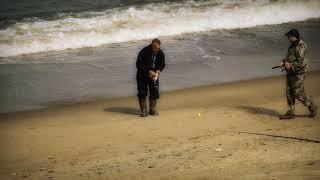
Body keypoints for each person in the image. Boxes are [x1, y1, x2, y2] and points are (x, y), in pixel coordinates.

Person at [279, 29, 317, 119]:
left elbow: (301, 63)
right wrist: (283, 62)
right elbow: (289, 58)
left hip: (299, 74)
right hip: (290, 73)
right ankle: (290, 112)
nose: (288, 38)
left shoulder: (302, 47)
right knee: (289, 92)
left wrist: (290, 65)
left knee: (298, 93)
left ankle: (312, 106)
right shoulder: (291, 46)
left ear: (293, 36)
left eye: (289, 37)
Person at [136, 39, 165, 117]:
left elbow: (162, 64)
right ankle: (144, 111)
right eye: (155, 47)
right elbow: (138, 65)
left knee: (154, 91)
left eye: (158, 48)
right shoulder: (144, 51)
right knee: (142, 92)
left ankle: (152, 110)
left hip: (154, 76)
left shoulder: (160, 53)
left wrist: (158, 71)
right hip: (142, 75)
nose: (157, 49)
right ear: (152, 45)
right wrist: (149, 71)